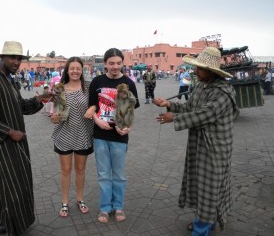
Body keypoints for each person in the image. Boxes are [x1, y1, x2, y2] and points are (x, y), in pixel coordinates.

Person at [152, 47, 238, 236]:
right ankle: (205, 222)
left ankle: (202, 229)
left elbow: (204, 114)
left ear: (212, 71)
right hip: (198, 145)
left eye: (200, 68)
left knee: (210, 188)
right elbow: (190, 107)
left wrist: (173, 118)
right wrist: (170, 105)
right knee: (200, 186)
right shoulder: (200, 85)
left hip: (215, 150)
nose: (195, 71)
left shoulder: (223, 92)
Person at [0, 41, 54, 235]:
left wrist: (40, 99)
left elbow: (21, 107)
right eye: (12, 57)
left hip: (16, 142)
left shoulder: (9, 79)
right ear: (1, 58)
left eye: (19, 58)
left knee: (15, 183)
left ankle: (3, 221)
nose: (17, 62)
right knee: (11, 187)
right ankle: (11, 228)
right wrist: (9, 132)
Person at [89, 48, 140, 223]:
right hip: (100, 135)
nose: (115, 66)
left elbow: (132, 110)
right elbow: (92, 106)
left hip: (120, 136)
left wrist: (128, 127)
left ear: (122, 63)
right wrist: (97, 121)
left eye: (118, 63)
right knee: (103, 174)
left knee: (118, 175)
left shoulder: (129, 83)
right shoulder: (97, 81)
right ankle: (105, 208)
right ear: (105, 64)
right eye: (111, 63)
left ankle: (118, 206)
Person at [50, 57, 95, 217]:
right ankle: (64, 202)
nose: (75, 71)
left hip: (83, 134)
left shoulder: (88, 87)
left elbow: (96, 102)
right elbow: (56, 113)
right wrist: (54, 117)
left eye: (78, 68)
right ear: (67, 70)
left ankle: (80, 199)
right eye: (72, 68)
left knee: (80, 170)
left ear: (82, 70)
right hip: (64, 135)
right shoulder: (59, 89)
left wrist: (93, 107)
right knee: (66, 170)